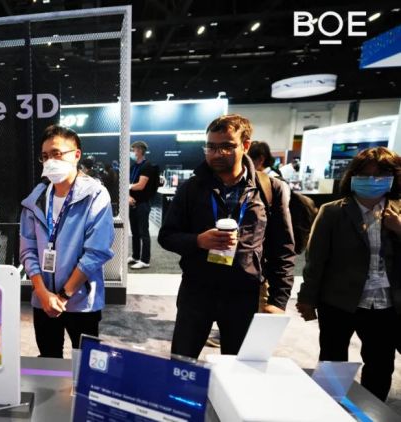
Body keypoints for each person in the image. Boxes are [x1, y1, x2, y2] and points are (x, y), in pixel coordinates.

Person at [158, 114, 295, 358]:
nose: (217, 154)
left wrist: (278, 300)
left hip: (244, 293)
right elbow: (167, 236)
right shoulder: (191, 188)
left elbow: (283, 248)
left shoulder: (269, 188)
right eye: (211, 147)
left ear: (245, 145)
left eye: (226, 146)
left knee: (238, 368)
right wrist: (198, 241)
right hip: (197, 290)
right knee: (182, 363)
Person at [297, 147, 401, 402]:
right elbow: (316, 260)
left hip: (385, 303)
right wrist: (307, 299)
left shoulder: (398, 212)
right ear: (353, 176)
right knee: (333, 360)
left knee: (380, 364)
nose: (372, 181)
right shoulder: (333, 211)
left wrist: (399, 229)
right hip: (338, 300)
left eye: (380, 175)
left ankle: (371, 411)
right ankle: (328, 407)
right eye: (365, 175)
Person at [20, 125, 114, 358]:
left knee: (86, 363)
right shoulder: (35, 200)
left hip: (81, 301)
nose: (50, 161)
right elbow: (27, 249)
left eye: (57, 154)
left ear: (76, 155)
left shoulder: (95, 195)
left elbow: (96, 252)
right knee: (48, 360)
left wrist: (63, 296)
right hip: (43, 300)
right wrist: (42, 293)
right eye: (45, 156)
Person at [128, 141, 152, 270]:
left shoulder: (147, 166)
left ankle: (145, 260)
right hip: (132, 203)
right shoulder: (133, 167)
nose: (132, 152)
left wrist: (128, 187)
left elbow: (141, 185)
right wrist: (128, 196)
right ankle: (136, 256)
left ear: (140, 151)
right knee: (135, 232)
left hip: (143, 204)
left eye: (134, 150)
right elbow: (130, 184)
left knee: (144, 233)